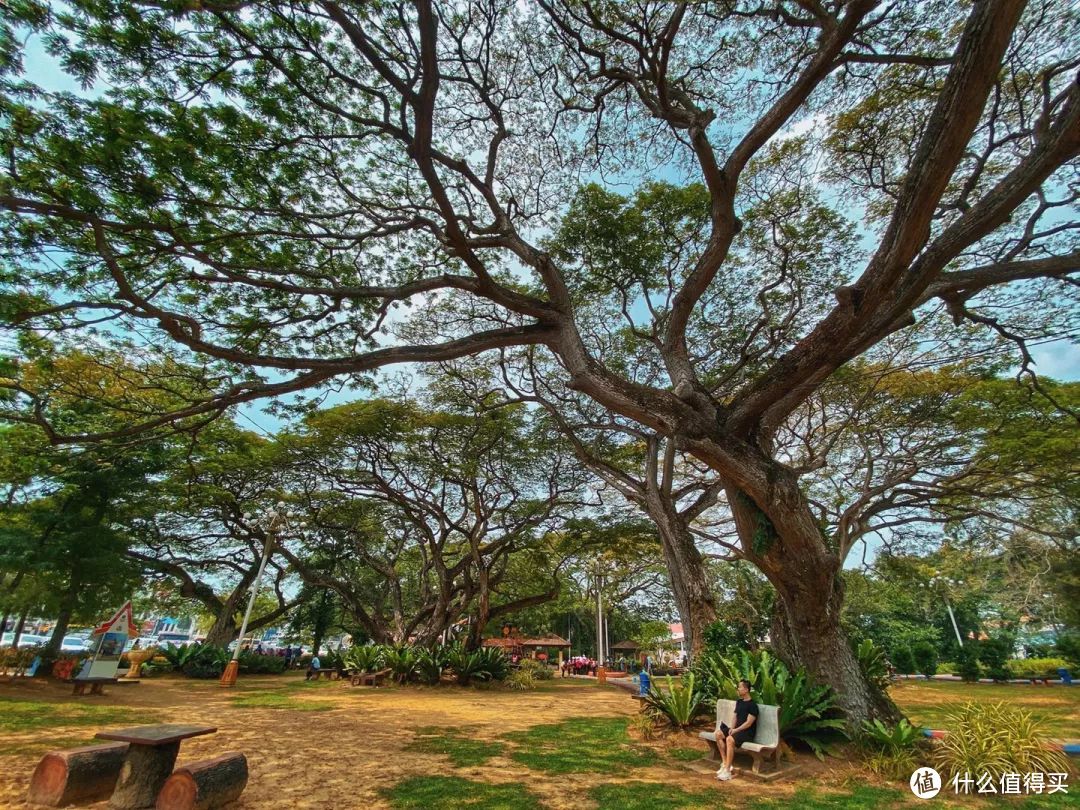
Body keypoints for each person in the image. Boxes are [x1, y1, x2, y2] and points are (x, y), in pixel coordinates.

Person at [716, 678, 758, 781]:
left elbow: (748, 723)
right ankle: (725, 763)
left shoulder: (753, 705)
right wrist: (732, 728)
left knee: (729, 739)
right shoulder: (739, 702)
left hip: (746, 733)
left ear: (746, 689)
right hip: (736, 730)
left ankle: (727, 772)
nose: (738, 689)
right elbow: (735, 716)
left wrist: (736, 730)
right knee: (718, 734)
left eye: (740, 687)